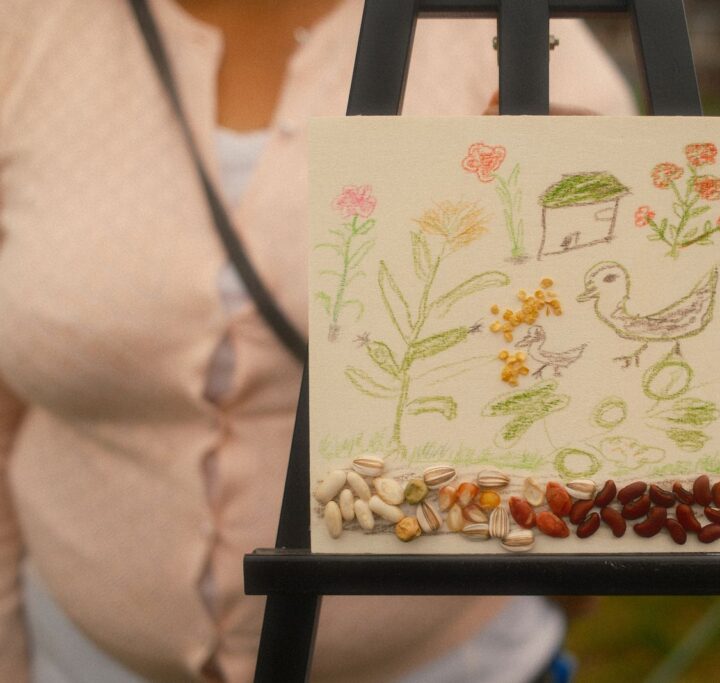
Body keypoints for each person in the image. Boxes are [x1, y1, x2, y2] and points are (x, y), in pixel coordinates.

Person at [0, 0, 636, 681]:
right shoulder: (28, 31)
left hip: (456, 663)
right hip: (73, 657)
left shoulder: (522, 42)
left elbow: (599, 413)